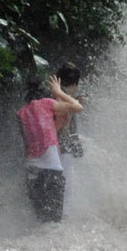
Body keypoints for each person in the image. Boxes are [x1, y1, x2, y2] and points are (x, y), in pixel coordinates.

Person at [17, 75, 82, 222]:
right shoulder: (46, 103)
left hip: (31, 172)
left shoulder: (21, 113)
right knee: (54, 224)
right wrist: (59, 92)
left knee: (40, 222)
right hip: (52, 171)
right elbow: (78, 107)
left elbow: (28, 143)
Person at [55, 62, 85, 218]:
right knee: (67, 183)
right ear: (74, 83)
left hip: (45, 147)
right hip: (61, 147)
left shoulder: (51, 95)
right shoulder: (65, 99)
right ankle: (64, 215)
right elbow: (66, 127)